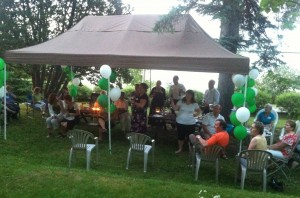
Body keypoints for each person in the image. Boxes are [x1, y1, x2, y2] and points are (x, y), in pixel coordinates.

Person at [171, 90, 201, 154]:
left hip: (190, 123)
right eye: (187, 94)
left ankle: (191, 149)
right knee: (180, 136)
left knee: (190, 137)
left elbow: (199, 111)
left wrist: (196, 114)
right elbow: (175, 109)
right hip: (180, 122)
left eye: (190, 94)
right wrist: (172, 102)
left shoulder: (195, 104)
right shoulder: (181, 101)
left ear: (192, 96)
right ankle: (180, 148)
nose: (188, 96)